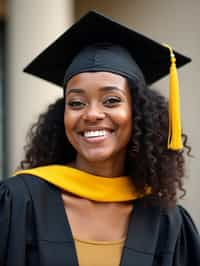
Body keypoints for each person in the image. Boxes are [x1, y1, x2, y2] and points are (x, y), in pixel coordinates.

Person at [0, 10, 200, 266]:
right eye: (76, 103)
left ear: (137, 112)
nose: (92, 114)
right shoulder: (17, 202)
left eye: (111, 100)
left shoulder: (167, 222)